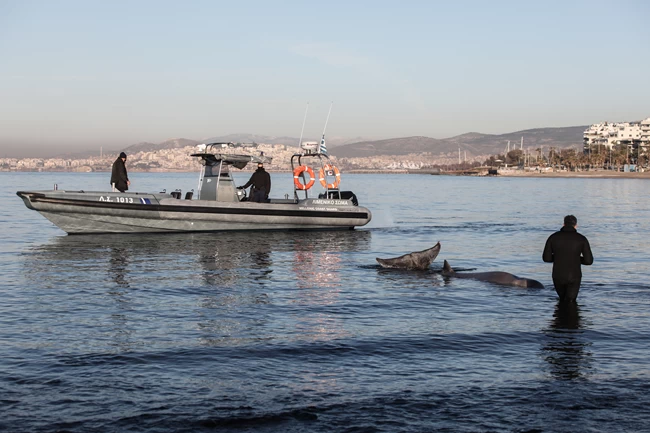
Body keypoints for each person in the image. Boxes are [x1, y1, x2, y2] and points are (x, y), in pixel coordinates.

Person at [543, 215, 593, 302]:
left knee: (561, 300)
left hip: (558, 275)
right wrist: (576, 258)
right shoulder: (581, 238)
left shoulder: (553, 237)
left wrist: (560, 257)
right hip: (574, 275)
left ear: (563, 224)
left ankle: (560, 315)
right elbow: (589, 261)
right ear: (575, 225)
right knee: (571, 302)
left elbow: (546, 258)